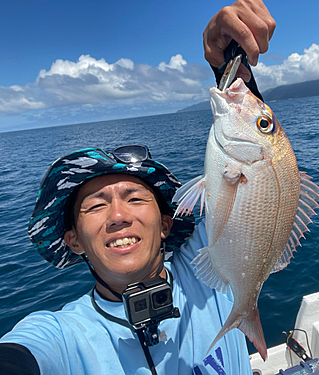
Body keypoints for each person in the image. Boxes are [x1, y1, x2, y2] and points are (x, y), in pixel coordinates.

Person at [0, 1, 275, 374]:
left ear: (166, 223)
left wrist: (227, 59)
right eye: (95, 206)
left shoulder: (208, 266)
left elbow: (257, 190)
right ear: (73, 240)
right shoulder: (59, 336)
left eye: (134, 197)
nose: (118, 216)